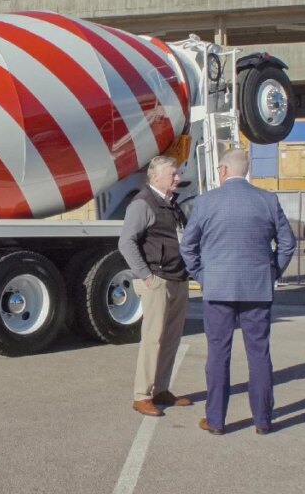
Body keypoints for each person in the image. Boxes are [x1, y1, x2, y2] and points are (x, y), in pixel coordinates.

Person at [180, 149, 295, 435]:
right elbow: (288, 243)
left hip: (218, 289)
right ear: (244, 171)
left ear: (222, 170)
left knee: (218, 354)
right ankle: (263, 420)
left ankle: (216, 420)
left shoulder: (206, 202)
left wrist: (202, 275)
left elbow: (187, 246)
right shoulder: (267, 200)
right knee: (259, 355)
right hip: (257, 288)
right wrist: (272, 273)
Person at [119, 155, 192, 417]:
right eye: (172, 174)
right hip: (158, 280)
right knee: (153, 339)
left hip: (178, 278)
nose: (178, 178)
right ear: (155, 177)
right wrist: (146, 276)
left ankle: (161, 389)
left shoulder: (172, 205)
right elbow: (126, 242)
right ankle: (142, 395)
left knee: (171, 338)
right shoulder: (142, 204)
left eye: (177, 173)